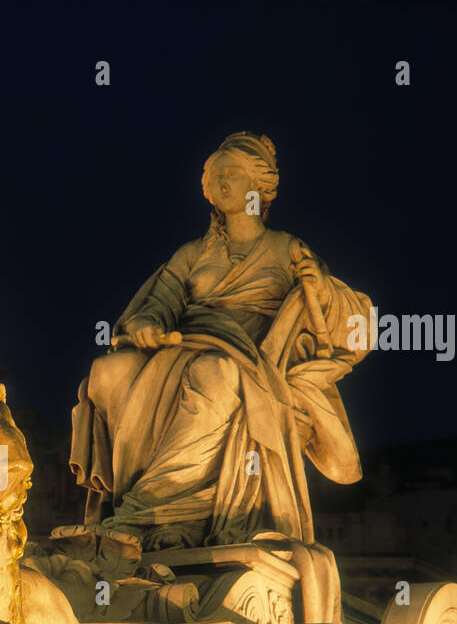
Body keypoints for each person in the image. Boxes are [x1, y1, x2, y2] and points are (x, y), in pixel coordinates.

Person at [68, 131, 373, 564]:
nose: (223, 183)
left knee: (215, 373)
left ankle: (151, 510)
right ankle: (126, 502)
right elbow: (156, 305)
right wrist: (148, 327)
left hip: (253, 359)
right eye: (216, 176)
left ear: (260, 186)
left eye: (234, 174)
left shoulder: (287, 248)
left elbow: (352, 324)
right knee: (107, 372)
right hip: (186, 346)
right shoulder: (192, 253)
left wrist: (320, 290)